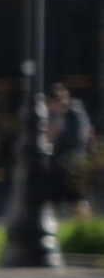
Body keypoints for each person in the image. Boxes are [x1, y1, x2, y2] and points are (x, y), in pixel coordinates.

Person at [48, 82, 93, 217]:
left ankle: (84, 231)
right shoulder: (53, 115)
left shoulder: (74, 112)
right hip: (57, 165)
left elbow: (78, 138)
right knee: (53, 200)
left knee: (78, 200)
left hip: (73, 164)